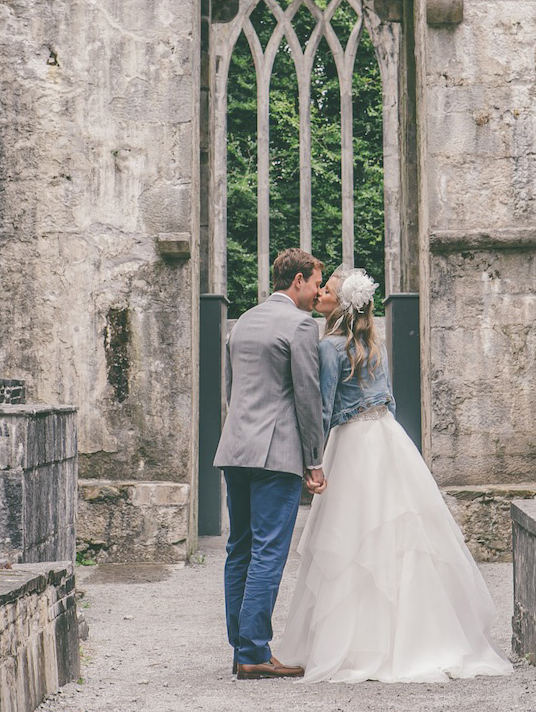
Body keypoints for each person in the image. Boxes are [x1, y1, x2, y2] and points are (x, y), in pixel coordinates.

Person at [278, 265, 514, 683]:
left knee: (351, 538)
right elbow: (386, 397)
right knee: (400, 534)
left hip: (352, 443)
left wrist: (310, 452)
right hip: (386, 436)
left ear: (340, 303)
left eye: (327, 290)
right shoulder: (375, 344)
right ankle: (418, 634)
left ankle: (354, 641)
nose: (320, 295)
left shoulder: (330, 347)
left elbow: (326, 406)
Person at [213, 248, 327, 680]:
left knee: (238, 548)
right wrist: (313, 461)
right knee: (267, 551)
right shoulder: (300, 325)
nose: (318, 292)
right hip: (275, 454)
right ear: (297, 280)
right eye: (316, 282)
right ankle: (255, 652)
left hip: (235, 449)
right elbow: (307, 397)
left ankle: (241, 647)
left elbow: (232, 390)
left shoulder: (243, 322)